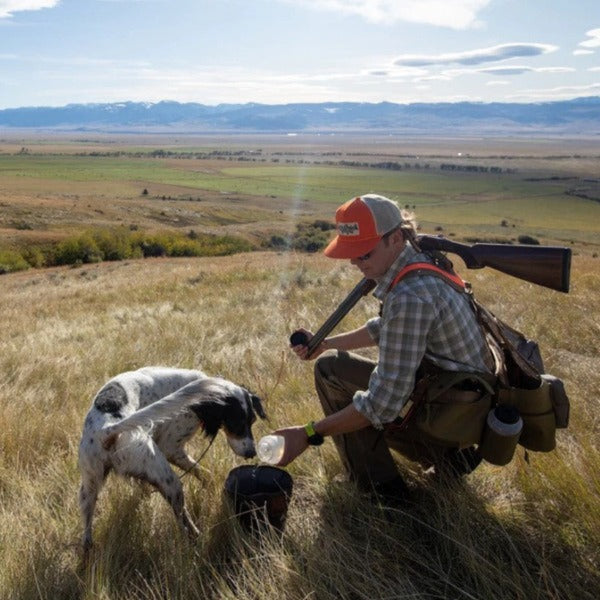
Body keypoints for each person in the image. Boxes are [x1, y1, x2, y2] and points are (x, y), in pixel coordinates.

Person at [272, 193, 495, 501]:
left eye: (364, 253)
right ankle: (451, 459)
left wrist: (308, 434)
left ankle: (383, 495)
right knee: (330, 364)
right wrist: (326, 344)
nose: (355, 262)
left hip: (455, 412)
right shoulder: (418, 263)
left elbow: (382, 404)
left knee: (340, 382)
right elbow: (387, 329)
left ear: (395, 238)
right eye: (352, 253)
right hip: (461, 395)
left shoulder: (410, 295)